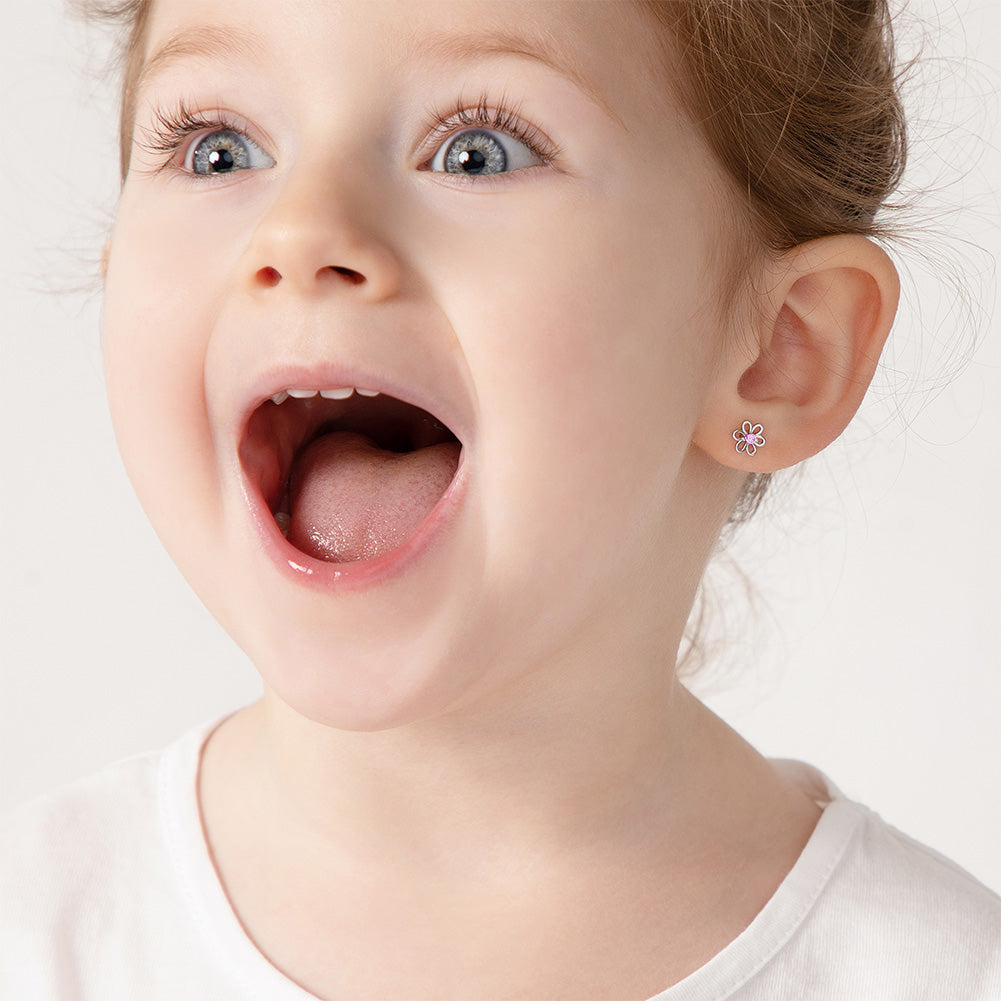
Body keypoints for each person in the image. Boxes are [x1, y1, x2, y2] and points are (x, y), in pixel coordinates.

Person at [1, 1, 998, 998]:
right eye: (216, 149)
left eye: (478, 152)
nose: (300, 231)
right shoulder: (37, 934)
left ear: (779, 356)